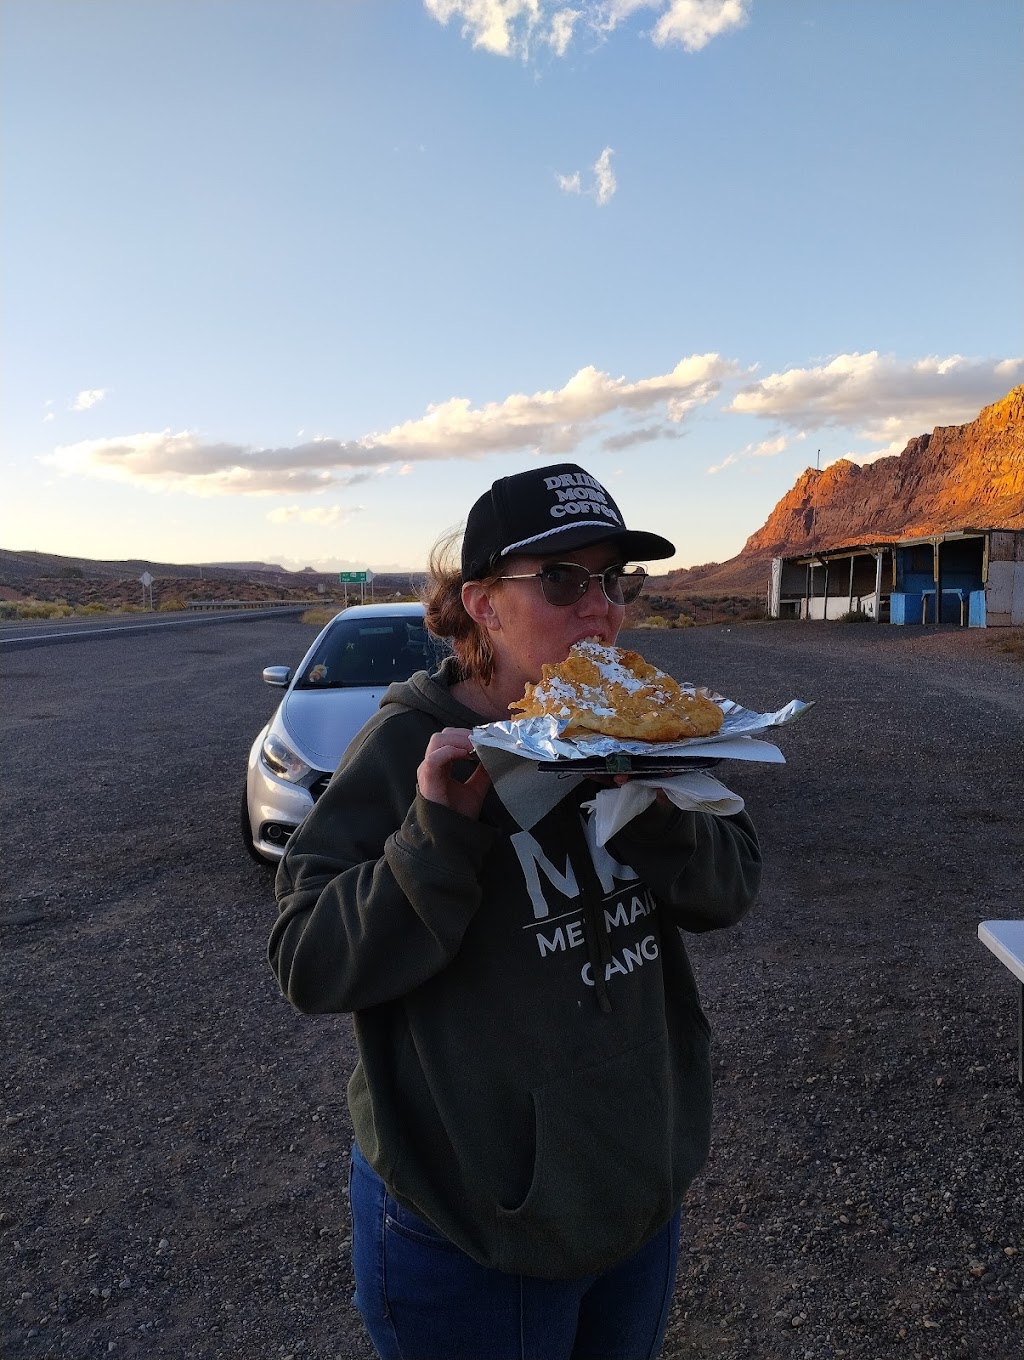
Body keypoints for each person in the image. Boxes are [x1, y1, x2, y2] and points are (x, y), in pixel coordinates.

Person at [268, 462, 761, 1360]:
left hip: (636, 1186)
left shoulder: (636, 728)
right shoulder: (406, 747)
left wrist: (653, 807)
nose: (601, 608)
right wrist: (436, 843)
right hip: (470, 1224)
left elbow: (729, 889)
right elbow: (307, 959)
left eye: (615, 582)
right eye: (564, 580)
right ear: (483, 605)